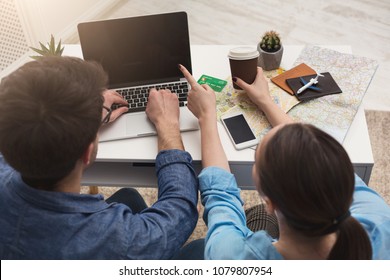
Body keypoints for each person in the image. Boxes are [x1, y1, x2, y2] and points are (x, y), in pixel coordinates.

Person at [179, 64, 390, 260]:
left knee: (196, 249)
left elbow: (221, 197)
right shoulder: (380, 221)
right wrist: (266, 101)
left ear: (270, 202)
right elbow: (314, 154)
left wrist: (206, 116)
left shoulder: (229, 255)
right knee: (258, 216)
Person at [0, 56, 199, 259]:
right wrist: (168, 125)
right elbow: (180, 208)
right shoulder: (122, 240)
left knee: (129, 196)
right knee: (199, 248)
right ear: (87, 154)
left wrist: (81, 120)